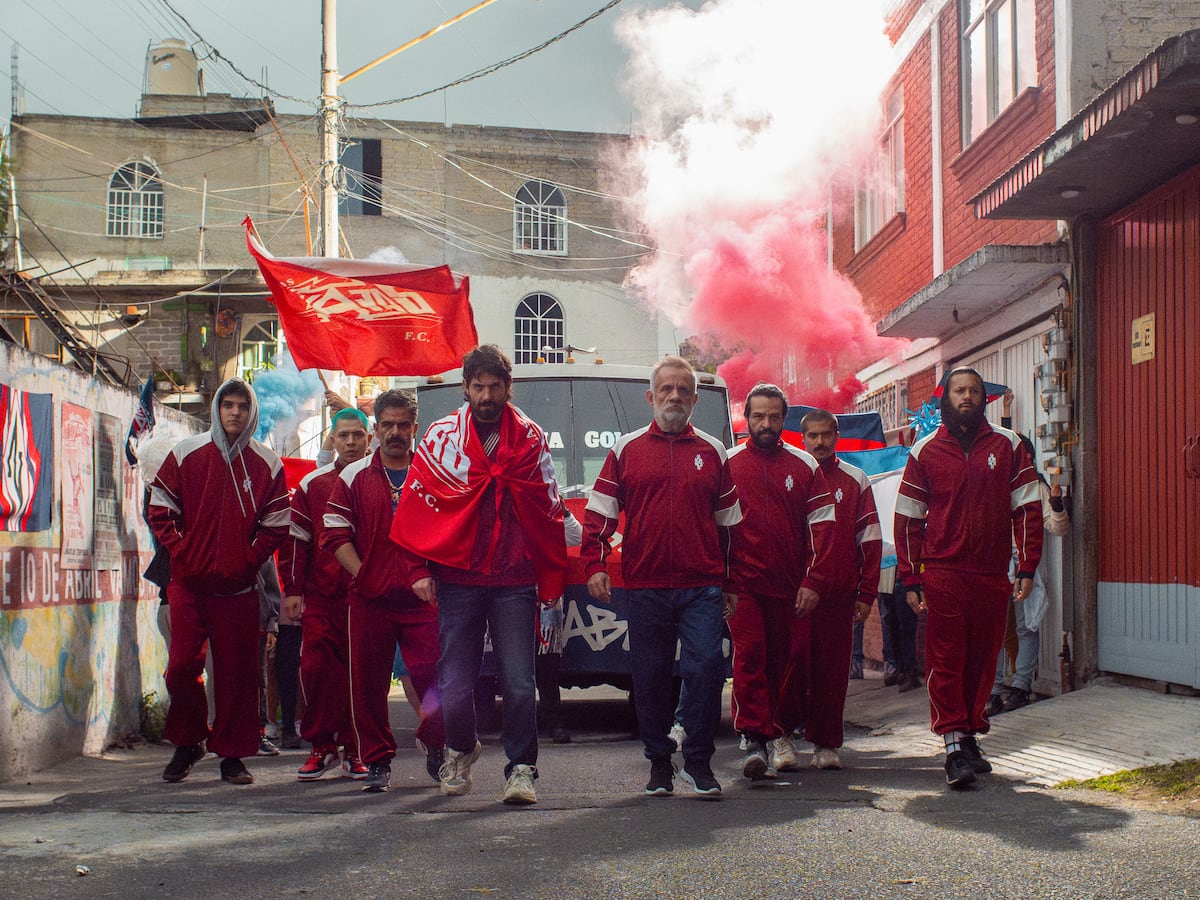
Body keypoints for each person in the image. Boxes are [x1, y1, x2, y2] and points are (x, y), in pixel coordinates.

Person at [393, 345, 567, 806]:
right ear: (465, 388)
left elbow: (548, 509)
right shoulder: (440, 438)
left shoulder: (531, 438)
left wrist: (550, 578)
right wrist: (418, 569)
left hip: (514, 580)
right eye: (478, 386)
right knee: (454, 681)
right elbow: (416, 507)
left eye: (494, 386)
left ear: (508, 388)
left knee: (519, 682)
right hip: (458, 580)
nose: (486, 395)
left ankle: (522, 769)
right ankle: (459, 750)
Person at [582, 355, 742, 799]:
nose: (675, 396)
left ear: (695, 400)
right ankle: (658, 763)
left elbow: (730, 527)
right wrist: (595, 564)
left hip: (702, 587)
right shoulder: (626, 450)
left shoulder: (713, 452)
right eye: (666, 389)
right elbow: (600, 514)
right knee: (650, 676)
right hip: (646, 585)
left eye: (683, 390)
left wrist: (731, 582)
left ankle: (698, 762)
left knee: (706, 668)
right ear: (651, 397)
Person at [894, 367, 1043, 789]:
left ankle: (972, 732)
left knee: (983, 657)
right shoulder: (924, 451)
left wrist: (1027, 566)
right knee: (947, 658)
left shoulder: (1009, 445)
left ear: (984, 399)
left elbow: (1028, 510)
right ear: (946, 398)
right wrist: (911, 577)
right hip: (943, 571)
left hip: (992, 572)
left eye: (974, 391)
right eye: (959, 390)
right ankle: (953, 745)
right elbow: (908, 520)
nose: (967, 396)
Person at [149, 378, 291, 786]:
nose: (234, 412)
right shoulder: (186, 453)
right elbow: (161, 508)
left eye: (242, 406)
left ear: (252, 412)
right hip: (189, 586)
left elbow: (277, 523)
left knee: (236, 675)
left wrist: (246, 560)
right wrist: (184, 552)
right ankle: (188, 742)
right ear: (217, 408)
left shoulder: (267, 463)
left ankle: (232, 754)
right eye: (228, 405)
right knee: (180, 668)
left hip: (239, 589)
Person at [322, 390, 446, 794]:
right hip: (369, 599)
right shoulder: (353, 476)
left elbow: (449, 531)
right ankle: (377, 761)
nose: (395, 432)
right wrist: (364, 575)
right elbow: (335, 534)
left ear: (415, 428)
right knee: (368, 684)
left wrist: (433, 576)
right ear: (375, 429)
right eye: (387, 425)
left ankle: (436, 741)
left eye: (402, 425)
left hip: (421, 599)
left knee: (433, 676)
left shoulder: (432, 475)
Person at [725, 384, 834, 781]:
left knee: (779, 662)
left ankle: (771, 733)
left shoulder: (805, 466)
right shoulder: (727, 463)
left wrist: (812, 580)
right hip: (741, 586)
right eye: (758, 416)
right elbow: (713, 525)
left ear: (784, 420)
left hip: (788, 588)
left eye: (773, 416)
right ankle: (754, 740)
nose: (766, 423)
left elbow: (823, 527)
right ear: (747, 419)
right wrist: (722, 580)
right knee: (749, 655)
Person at [278, 406, 372, 781]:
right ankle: (321, 746)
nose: (350, 442)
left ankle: (355, 748)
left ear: (369, 438)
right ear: (332, 439)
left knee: (359, 674)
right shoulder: (313, 484)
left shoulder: (380, 478)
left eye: (357, 435)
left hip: (366, 595)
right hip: (320, 595)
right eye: (343, 435)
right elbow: (296, 539)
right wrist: (293, 589)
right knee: (315, 669)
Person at [786, 409, 881, 771]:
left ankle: (825, 744)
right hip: (794, 594)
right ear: (802, 439)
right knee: (791, 666)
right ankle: (782, 737)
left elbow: (869, 539)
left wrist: (866, 593)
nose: (820, 442)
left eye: (826, 434)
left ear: (837, 436)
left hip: (838, 596)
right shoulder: (792, 474)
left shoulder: (855, 480)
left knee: (831, 673)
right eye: (812, 436)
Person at [986, 450, 1070, 715]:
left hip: (1025, 564)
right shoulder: (993, 485)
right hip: (996, 563)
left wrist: (1057, 505)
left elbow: (1058, 527)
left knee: (1026, 626)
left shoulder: (1037, 488)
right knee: (995, 629)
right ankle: (992, 692)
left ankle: (1020, 687)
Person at [536, 509, 583, 745]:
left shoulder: (549, 514)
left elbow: (577, 536)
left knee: (548, 664)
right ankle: (517, 723)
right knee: (515, 666)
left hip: (546, 596)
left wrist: (560, 508)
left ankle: (552, 719)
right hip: (510, 594)